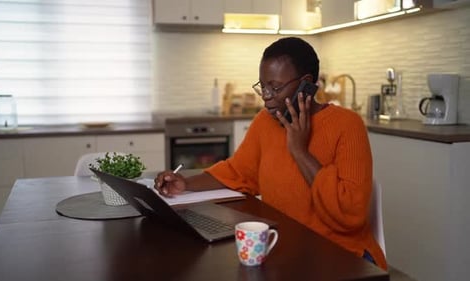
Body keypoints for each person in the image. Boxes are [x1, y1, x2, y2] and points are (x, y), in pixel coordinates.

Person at [154, 37, 387, 270]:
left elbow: (350, 215)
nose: (266, 95)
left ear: (306, 83)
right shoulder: (265, 122)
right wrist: (185, 184)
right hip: (287, 250)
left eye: (275, 87)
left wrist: (299, 150)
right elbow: (237, 172)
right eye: (262, 86)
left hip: (342, 256)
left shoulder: (347, 125)